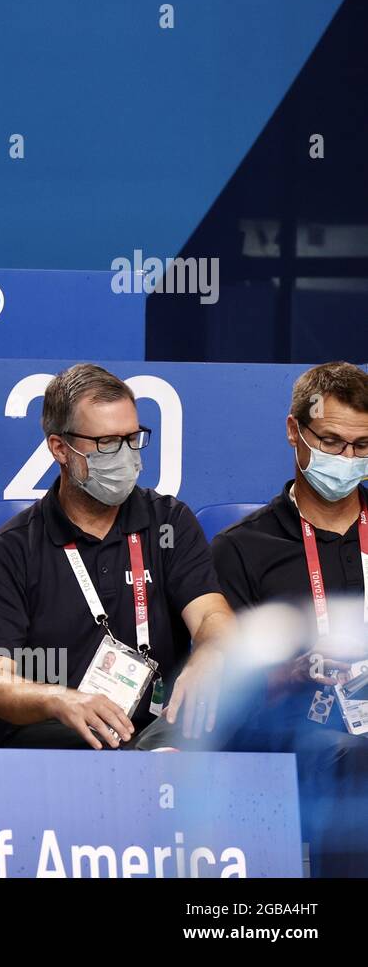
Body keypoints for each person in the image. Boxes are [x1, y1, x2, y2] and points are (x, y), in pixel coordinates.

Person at [0, 363, 231, 750]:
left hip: (158, 728)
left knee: (189, 739)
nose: (125, 456)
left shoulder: (169, 522)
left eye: (132, 438)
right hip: (62, 736)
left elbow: (212, 615)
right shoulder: (13, 546)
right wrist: (59, 699)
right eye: (106, 443)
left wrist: (210, 653)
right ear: (60, 448)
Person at [210, 361, 368, 875]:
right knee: (351, 756)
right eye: (330, 441)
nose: (346, 458)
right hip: (295, 729)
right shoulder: (242, 548)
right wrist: (291, 673)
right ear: (293, 431)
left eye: (361, 447)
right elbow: (223, 687)